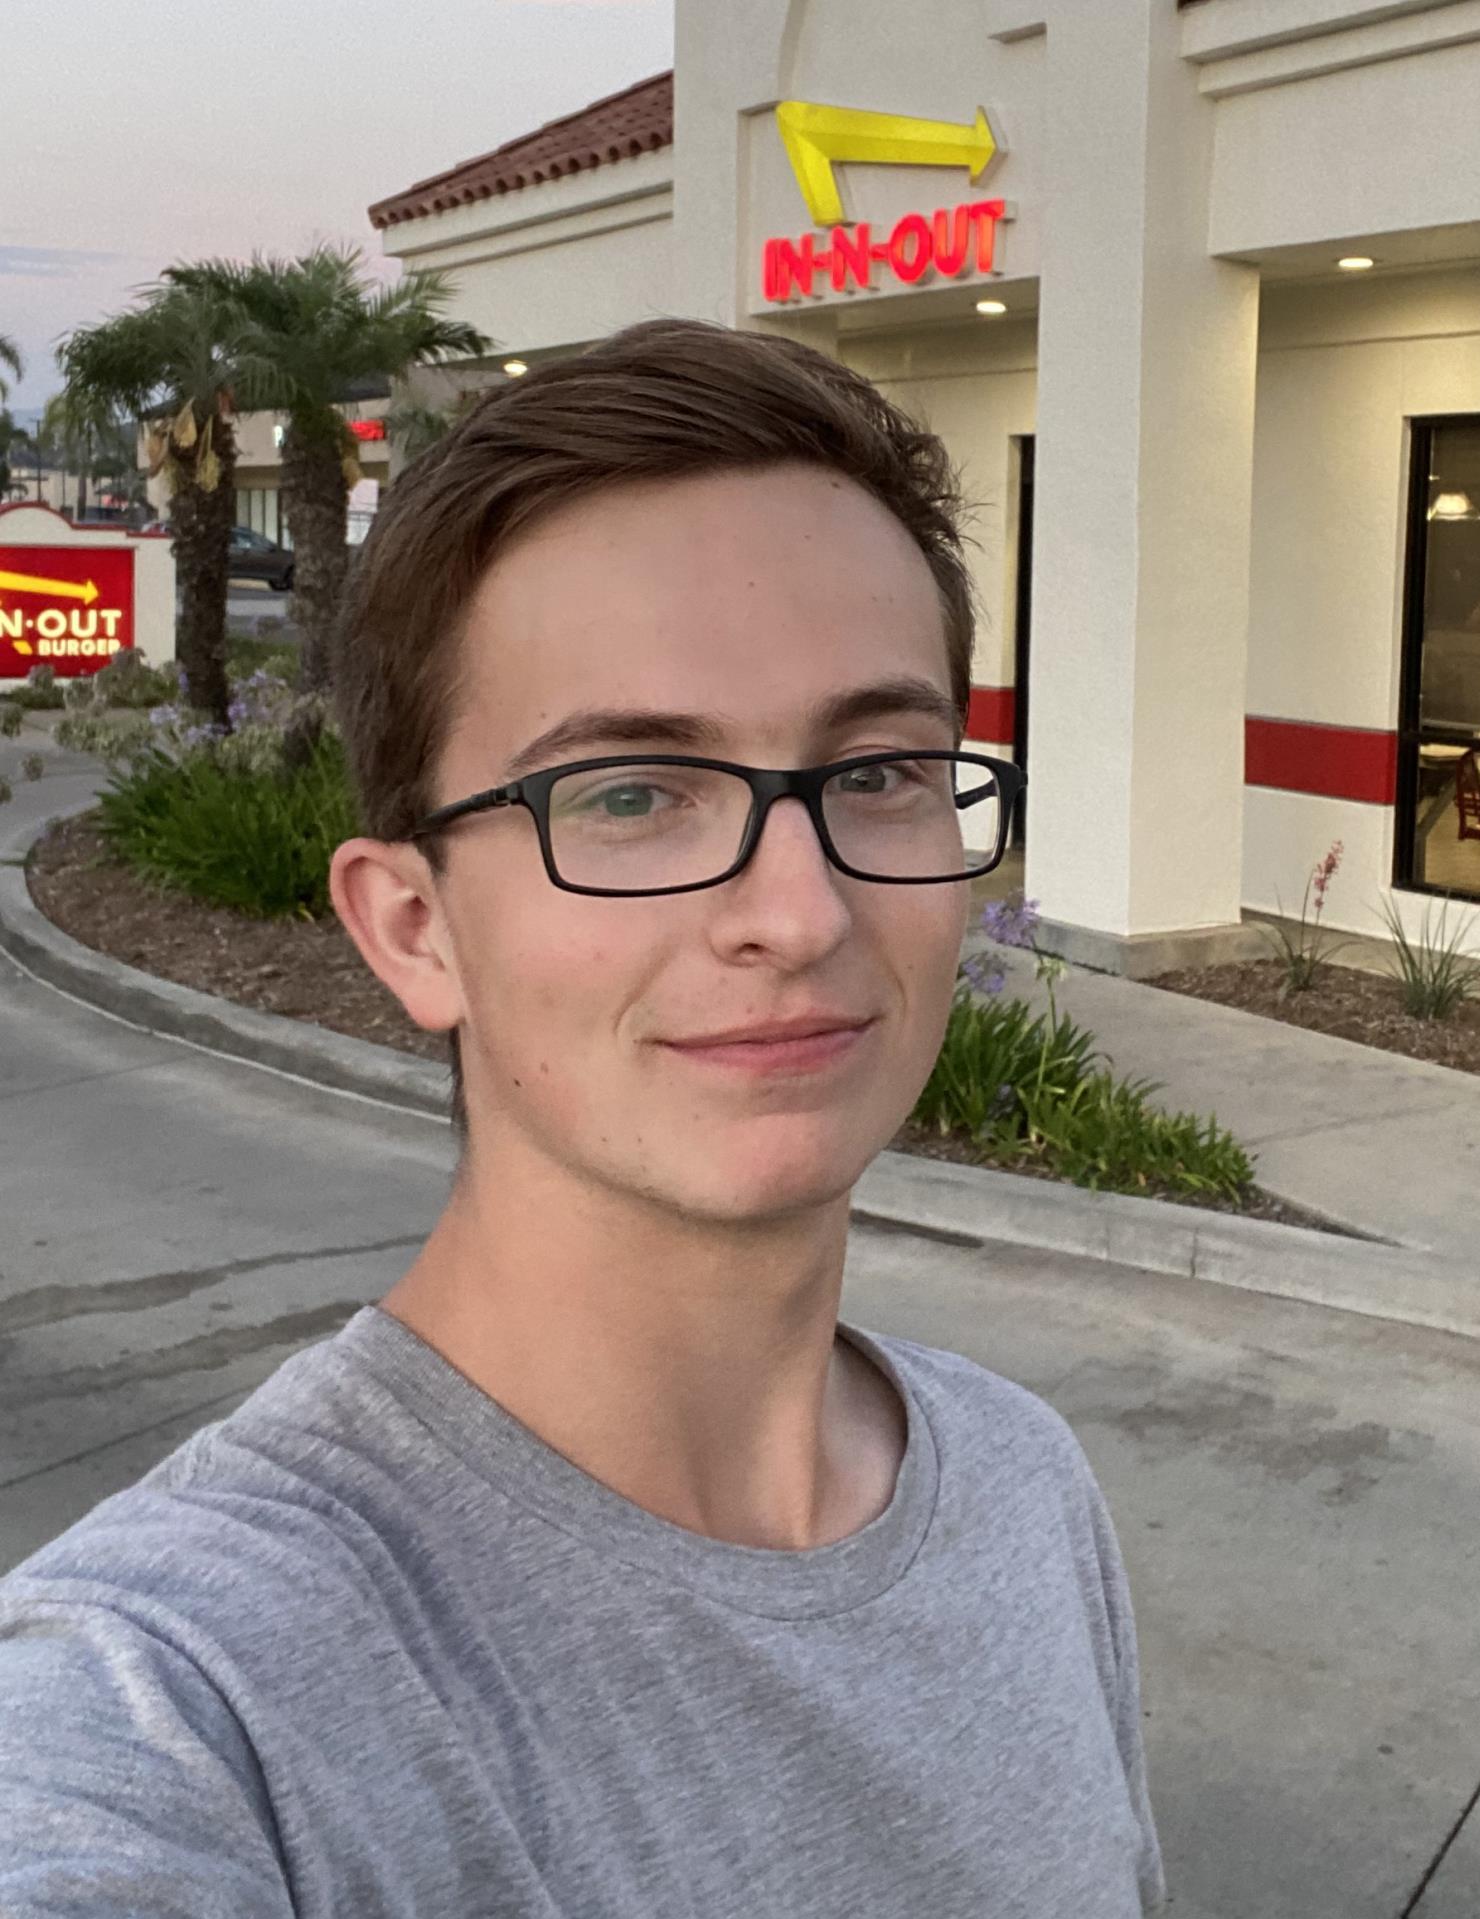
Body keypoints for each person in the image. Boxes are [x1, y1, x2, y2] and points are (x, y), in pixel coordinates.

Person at [0, 320, 1167, 1916]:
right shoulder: (187, 1700)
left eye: (880, 770)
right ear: (412, 925)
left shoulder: (1023, 1488)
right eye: (626, 793)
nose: (799, 911)